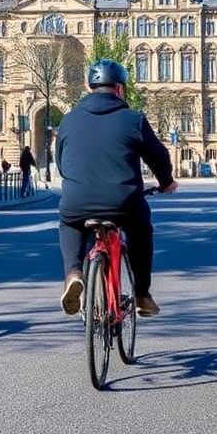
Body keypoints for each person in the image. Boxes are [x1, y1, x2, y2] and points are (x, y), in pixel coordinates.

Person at [56, 59, 177, 318]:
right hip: (124, 202)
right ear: (120, 89)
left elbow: (61, 162)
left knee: (69, 223)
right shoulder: (133, 119)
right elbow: (158, 156)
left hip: (77, 200)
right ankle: (143, 294)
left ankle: (74, 273)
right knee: (141, 230)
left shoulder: (68, 120)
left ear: (90, 89)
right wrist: (166, 182)